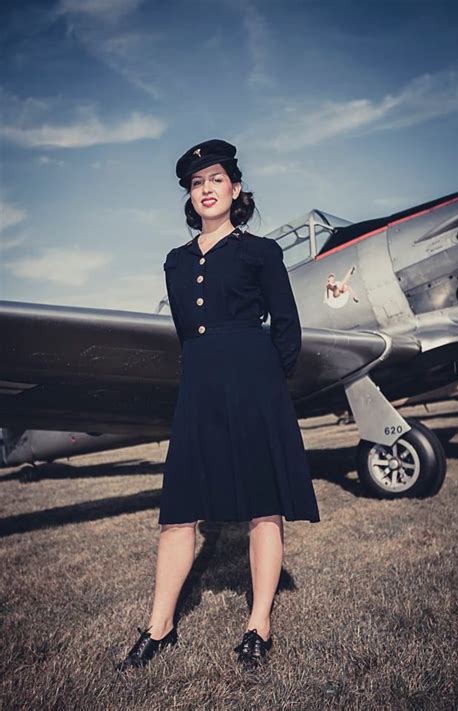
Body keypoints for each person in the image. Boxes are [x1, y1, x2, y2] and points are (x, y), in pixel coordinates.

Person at [116, 139, 320, 672]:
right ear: (190, 196)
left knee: (261, 506)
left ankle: (259, 625)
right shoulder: (175, 262)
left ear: (234, 189)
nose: (206, 190)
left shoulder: (262, 252)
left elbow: (288, 331)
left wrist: (266, 386)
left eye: (215, 180)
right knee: (178, 514)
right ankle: (158, 627)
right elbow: (189, 334)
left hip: (256, 387)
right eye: (196, 183)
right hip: (200, 390)